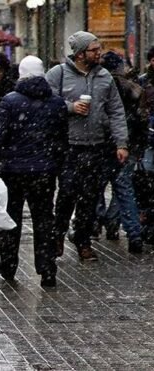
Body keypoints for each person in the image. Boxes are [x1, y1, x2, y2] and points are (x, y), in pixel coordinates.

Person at [0, 56, 68, 287]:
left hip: (13, 172)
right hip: (44, 172)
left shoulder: (10, 101)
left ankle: (8, 265)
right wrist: (58, 167)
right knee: (44, 219)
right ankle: (47, 269)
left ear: (21, 75)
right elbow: (61, 141)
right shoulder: (56, 103)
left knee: (11, 219)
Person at [46, 31, 129, 260]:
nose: (99, 52)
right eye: (94, 49)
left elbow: (116, 111)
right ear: (81, 53)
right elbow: (45, 104)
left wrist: (121, 143)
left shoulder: (104, 76)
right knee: (67, 194)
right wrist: (70, 107)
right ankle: (58, 235)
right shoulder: (58, 74)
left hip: (96, 146)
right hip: (68, 146)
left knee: (90, 197)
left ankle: (83, 240)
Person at [92, 51, 148, 253]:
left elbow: (98, 118)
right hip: (127, 146)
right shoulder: (134, 89)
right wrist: (137, 144)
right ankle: (133, 234)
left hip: (103, 146)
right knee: (124, 190)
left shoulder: (101, 86)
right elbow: (141, 119)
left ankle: (99, 222)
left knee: (97, 188)